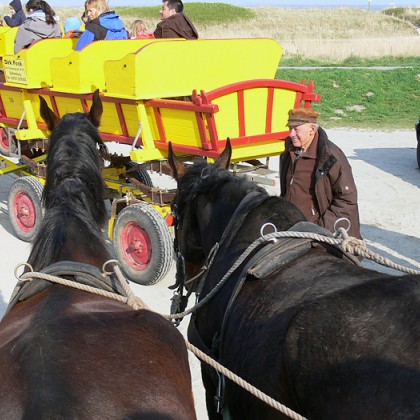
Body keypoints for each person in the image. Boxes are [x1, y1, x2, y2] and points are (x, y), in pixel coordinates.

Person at [279, 108, 362, 239]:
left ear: (312, 129)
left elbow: (347, 200)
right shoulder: (289, 152)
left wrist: (320, 228)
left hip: (317, 231)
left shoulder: (330, 157)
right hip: (293, 228)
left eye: (296, 129)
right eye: (290, 128)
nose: (291, 134)